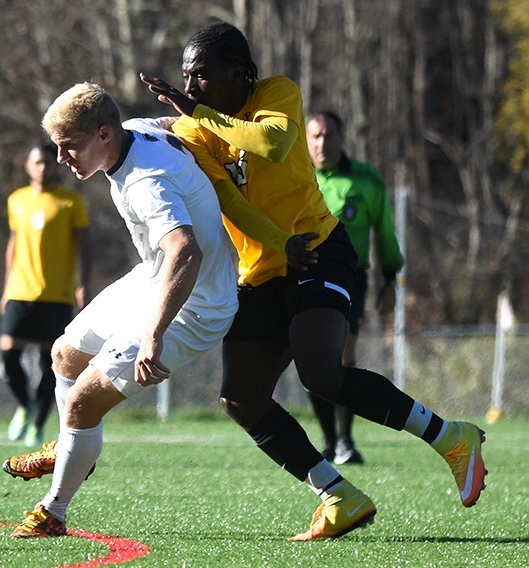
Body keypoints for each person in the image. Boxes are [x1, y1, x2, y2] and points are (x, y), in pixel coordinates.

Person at [138, 21, 486, 541]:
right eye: (186, 78)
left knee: (321, 372)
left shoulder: (276, 93)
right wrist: (278, 242)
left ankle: (451, 439)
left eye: (202, 76)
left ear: (239, 72)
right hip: (266, 266)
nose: (190, 89)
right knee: (241, 398)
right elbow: (231, 202)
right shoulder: (193, 130)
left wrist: (200, 115)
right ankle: (337, 494)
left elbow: (271, 145)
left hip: (320, 251)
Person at [5, 82, 240, 538]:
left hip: (196, 303)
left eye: (69, 146)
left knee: (82, 401)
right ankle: (72, 448)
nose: (61, 159)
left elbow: (186, 252)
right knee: (64, 355)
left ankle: (54, 510)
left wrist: (154, 334)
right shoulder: (136, 130)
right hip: (155, 276)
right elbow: (173, 124)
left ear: (104, 135)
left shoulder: (145, 181)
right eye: (56, 146)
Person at [305, 110, 405, 465]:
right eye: (315, 136)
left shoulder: (367, 180)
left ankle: (346, 441)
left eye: (328, 136)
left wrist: (391, 279)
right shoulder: (296, 177)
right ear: (306, 140)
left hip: (351, 277)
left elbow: (386, 232)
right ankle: (329, 441)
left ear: (341, 138)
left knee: (343, 355)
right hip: (304, 273)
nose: (322, 143)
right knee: (312, 358)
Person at [0, 143, 93, 447]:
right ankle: (26, 408)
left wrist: (84, 283)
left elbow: (84, 246)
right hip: (20, 291)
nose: (43, 168)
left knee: (48, 363)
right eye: (37, 162)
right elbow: (13, 245)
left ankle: (38, 426)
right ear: (27, 166)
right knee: (8, 354)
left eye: (48, 163)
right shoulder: (17, 200)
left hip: (57, 294)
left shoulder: (70, 202)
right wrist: (6, 287)